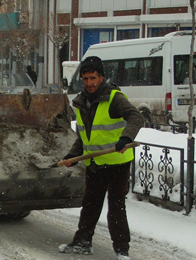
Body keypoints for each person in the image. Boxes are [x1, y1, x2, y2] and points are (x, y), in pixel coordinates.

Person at [58, 56, 144, 260]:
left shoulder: (113, 98)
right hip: (95, 162)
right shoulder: (81, 102)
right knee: (90, 203)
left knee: (116, 206)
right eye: (86, 78)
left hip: (117, 162)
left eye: (93, 78)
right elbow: (85, 137)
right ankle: (82, 242)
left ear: (101, 77)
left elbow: (136, 117)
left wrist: (126, 137)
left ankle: (122, 249)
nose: (89, 83)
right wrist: (73, 155)